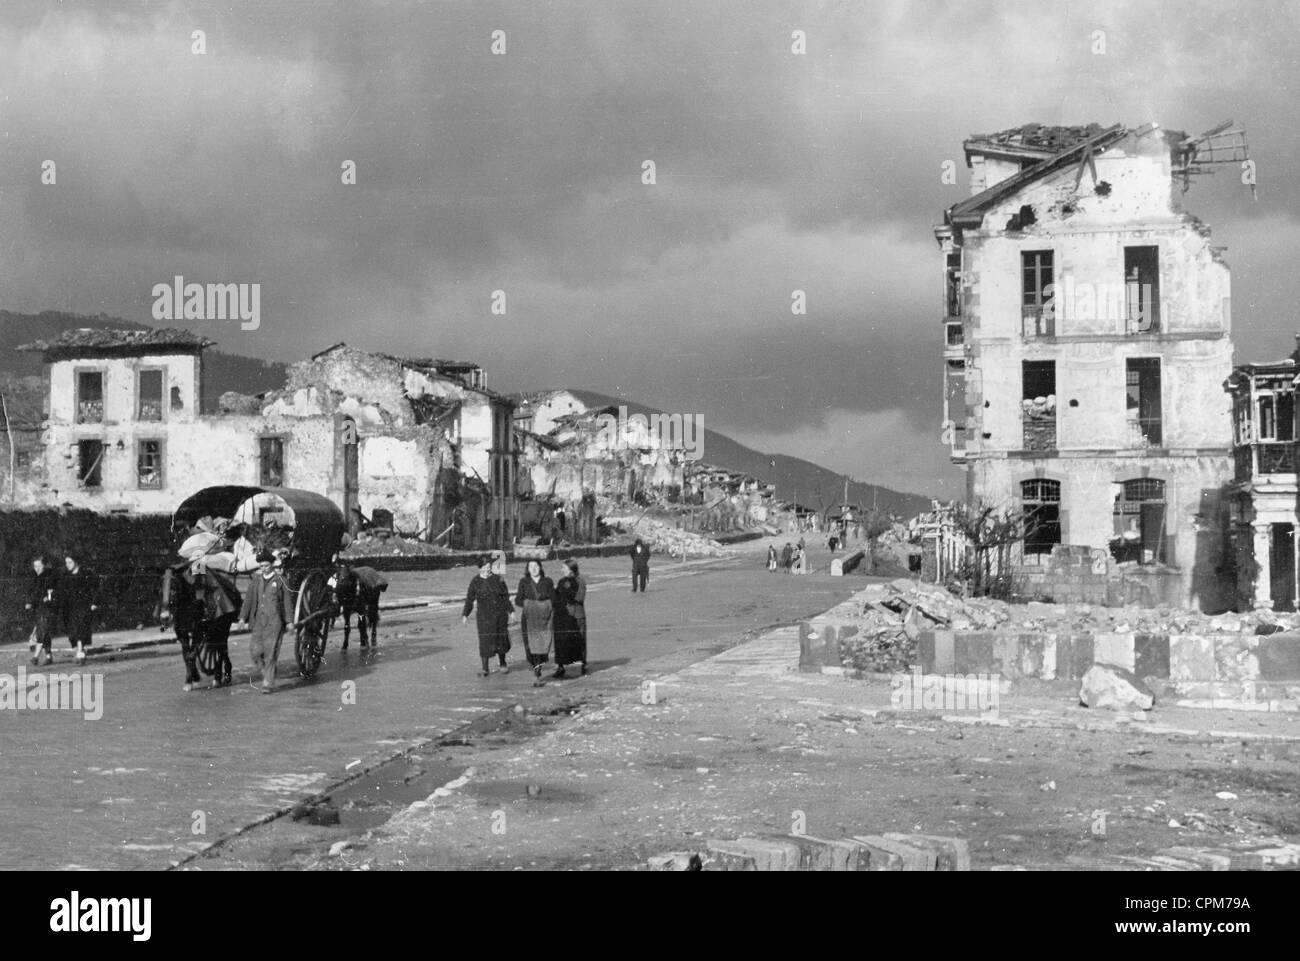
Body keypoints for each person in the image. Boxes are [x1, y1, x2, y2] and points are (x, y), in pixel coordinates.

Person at [239, 549, 295, 693]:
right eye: (261, 566)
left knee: (271, 652)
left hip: (275, 621)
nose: (264, 568)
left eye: (266, 565)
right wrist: (242, 618)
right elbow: (248, 600)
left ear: (272, 565)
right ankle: (267, 672)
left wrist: (289, 621)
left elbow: (287, 602)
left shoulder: (281, 581)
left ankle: (268, 683)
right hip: (258, 621)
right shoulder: (256, 582)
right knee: (255, 651)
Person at [462, 555, 511, 676]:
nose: (487, 570)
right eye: (485, 567)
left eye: (489, 567)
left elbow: (506, 597)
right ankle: (485, 668)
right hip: (484, 616)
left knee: (500, 640)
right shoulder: (475, 581)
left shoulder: (498, 579)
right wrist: (465, 614)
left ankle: (503, 663)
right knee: (485, 641)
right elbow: (470, 599)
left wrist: (511, 610)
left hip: (499, 615)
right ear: (479, 568)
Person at [514, 559, 554, 685]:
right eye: (530, 566)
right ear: (527, 569)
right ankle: (536, 670)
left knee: (542, 645)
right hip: (528, 619)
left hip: (544, 619)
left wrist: (542, 603)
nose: (533, 569)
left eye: (536, 566)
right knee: (530, 646)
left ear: (540, 567)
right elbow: (518, 600)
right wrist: (531, 604)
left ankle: (538, 671)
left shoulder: (548, 581)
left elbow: (554, 598)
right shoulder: (524, 582)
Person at [60, 554, 100, 665]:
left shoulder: (86, 574)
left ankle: (80, 652)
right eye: (66, 563)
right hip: (71, 607)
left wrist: (94, 602)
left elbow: (95, 589)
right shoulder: (66, 576)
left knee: (80, 628)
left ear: (76, 562)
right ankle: (80, 650)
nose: (67, 565)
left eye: (70, 562)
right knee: (73, 630)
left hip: (84, 606)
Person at [552, 562, 587, 678]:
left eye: (564, 567)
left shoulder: (580, 581)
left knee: (580, 639)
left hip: (577, 615)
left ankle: (583, 663)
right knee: (561, 641)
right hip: (563, 615)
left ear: (571, 569)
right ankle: (560, 666)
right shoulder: (562, 581)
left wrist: (568, 592)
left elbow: (579, 597)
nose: (562, 569)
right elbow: (556, 597)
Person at [25, 556, 58, 666]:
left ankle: (36, 656)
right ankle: (49, 656)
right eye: (35, 566)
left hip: (47, 608)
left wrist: (48, 597)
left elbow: (53, 592)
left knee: (42, 631)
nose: (37, 568)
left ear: (44, 566)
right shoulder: (33, 577)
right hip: (37, 609)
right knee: (44, 632)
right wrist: (29, 602)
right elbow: (30, 592)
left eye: (39, 566)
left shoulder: (50, 577)